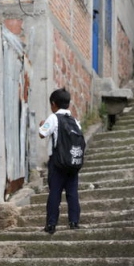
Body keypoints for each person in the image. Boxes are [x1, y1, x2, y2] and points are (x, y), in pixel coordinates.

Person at [38, 88, 81, 234]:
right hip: (73, 163)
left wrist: (41, 125)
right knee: (72, 193)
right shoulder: (75, 121)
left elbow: (42, 134)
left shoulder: (53, 117)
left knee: (55, 192)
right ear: (68, 104)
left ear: (53, 104)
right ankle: (74, 222)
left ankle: (51, 224)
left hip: (58, 163)